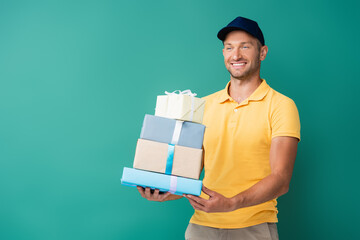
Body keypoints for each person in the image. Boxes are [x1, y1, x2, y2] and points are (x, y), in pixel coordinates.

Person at [137, 16, 300, 240]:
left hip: (253, 228)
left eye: (245, 46)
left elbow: (281, 179)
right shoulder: (202, 106)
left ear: (262, 53)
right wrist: (163, 191)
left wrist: (232, 203)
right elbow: (189, 174)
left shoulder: (281, 106)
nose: (236, 55)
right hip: (201, 228)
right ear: (223, 53)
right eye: (229, 47)